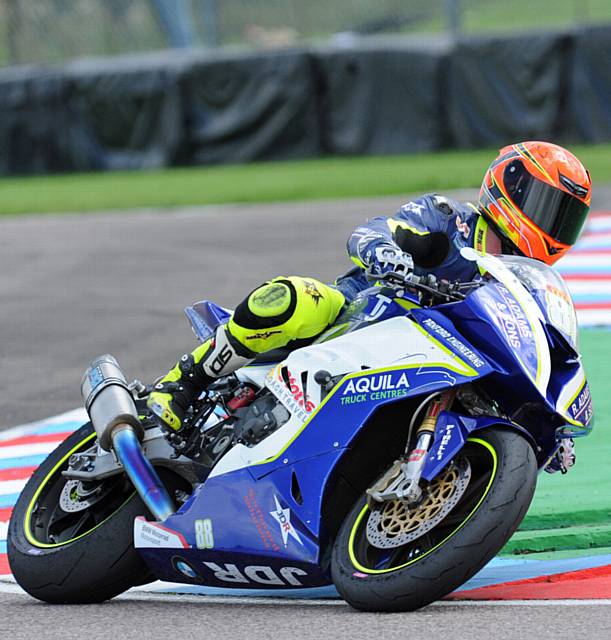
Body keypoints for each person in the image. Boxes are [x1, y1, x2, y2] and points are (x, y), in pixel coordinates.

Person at [147, 141, 591, 435]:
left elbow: (536, 351)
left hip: (429, 366)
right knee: (297, 297)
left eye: (564, 216)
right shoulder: (448, 220)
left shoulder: (525, 286)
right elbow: (374, 230)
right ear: (508, 185)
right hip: (359, 317)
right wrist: (386, 252)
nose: (552, 223)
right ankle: (180, 383)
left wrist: (546, 420)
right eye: (546, 205)